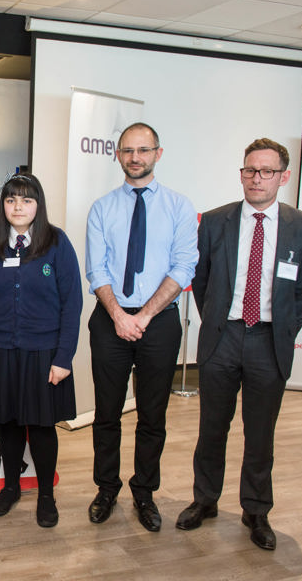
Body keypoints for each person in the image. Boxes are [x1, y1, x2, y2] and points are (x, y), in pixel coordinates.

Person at [175, 138, 302, 550]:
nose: (256, 179)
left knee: (260, 434)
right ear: (241, 173)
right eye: (249, 170)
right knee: (211, 429)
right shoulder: (217, 221)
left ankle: (256, 510)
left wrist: (283, 332)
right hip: (223, 337)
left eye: (266, 172)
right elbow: (202, 281)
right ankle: (204, 500)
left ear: (284, 177)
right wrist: (219, 320)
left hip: (269, 341)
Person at [84, 122, 198, 532]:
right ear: (118, 155)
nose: (135, 157)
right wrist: (118, 315)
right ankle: (106, 488)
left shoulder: (179, 207)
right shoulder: (102, 208)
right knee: (107, 413)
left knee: (153, 415)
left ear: (158, 153)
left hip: (160, 321)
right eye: (128, 150)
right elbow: (95, 269)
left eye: (143, 150)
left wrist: (144, 316)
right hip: (110, 318)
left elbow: (184, 266)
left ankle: (144, 492)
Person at [0, 173, 82, 527]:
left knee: (40, 426)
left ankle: (47, 496)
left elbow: (73, 302)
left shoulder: (56, 242)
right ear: (3, 205)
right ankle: (10, 487)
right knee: (6, 422)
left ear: (39, 205)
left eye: (26, 200)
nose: (18, 206)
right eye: (11, 199)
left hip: (42, 351)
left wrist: (64, 356)